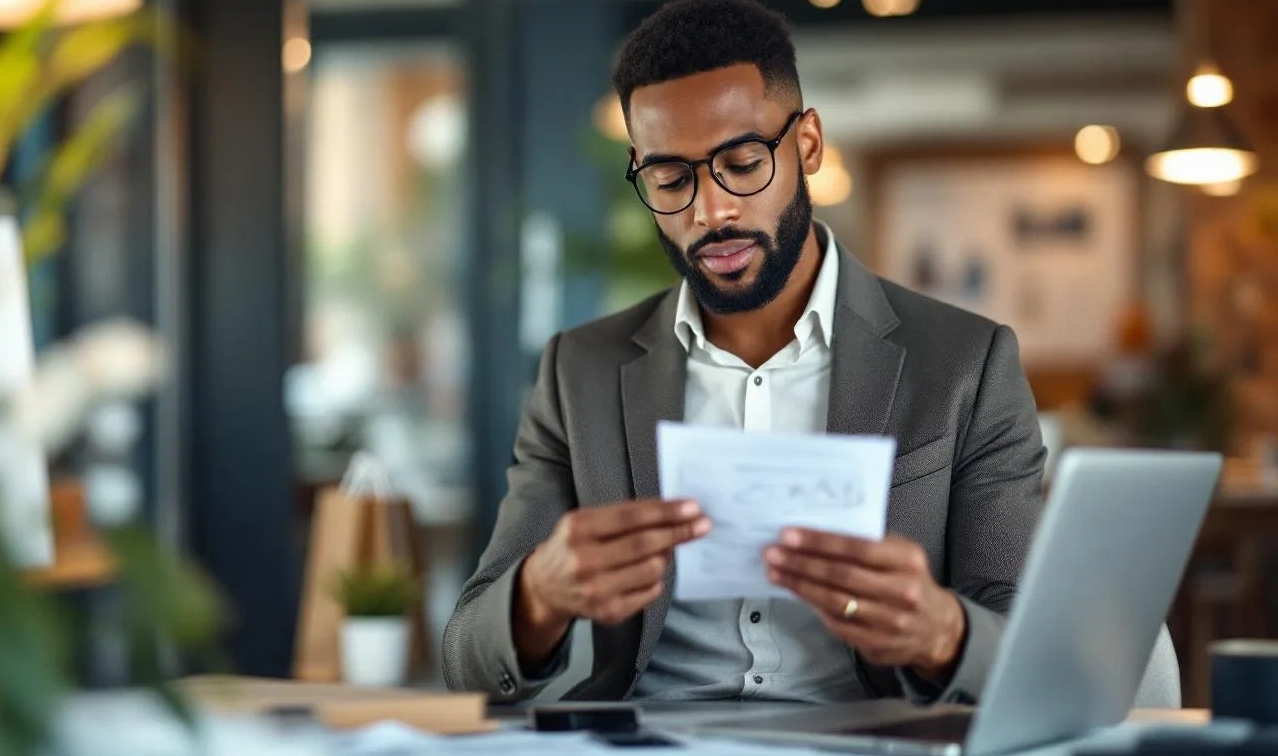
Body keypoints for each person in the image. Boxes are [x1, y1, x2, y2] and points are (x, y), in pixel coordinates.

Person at [442, 0, 1047, 706]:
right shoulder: (579, 373)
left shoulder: (966, 365)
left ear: (809, 144)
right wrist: (537, 597)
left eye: (741, 163)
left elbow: (1030, 644)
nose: (711, 211)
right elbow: (466, 657)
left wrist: (943, 631)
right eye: (671, 180)